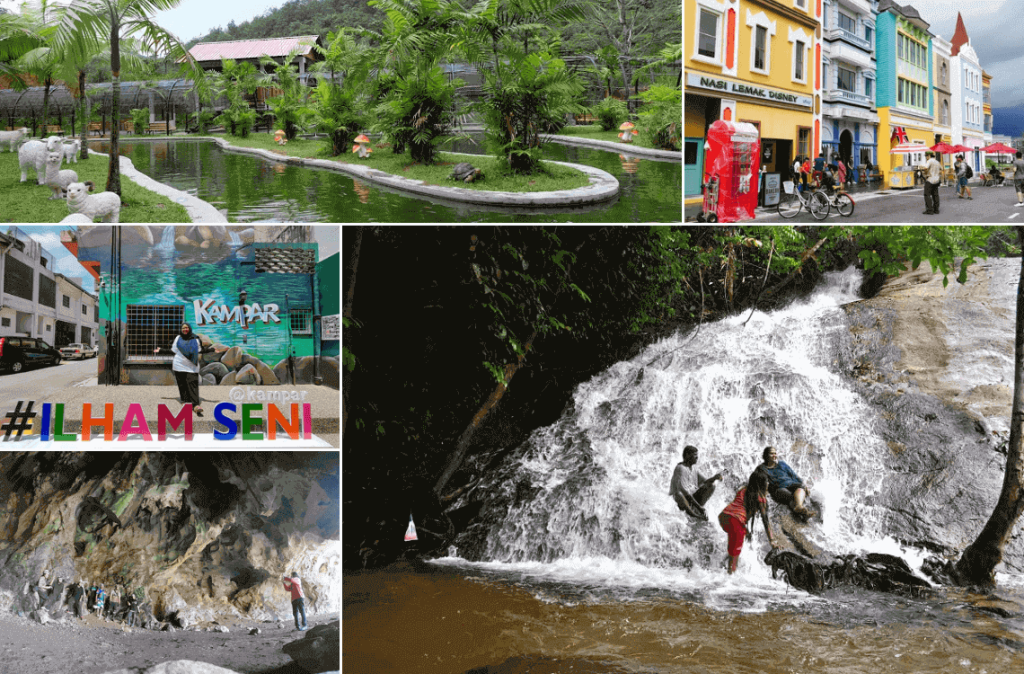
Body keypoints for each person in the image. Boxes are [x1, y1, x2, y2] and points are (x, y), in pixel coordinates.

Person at [718, 469, 779, 574]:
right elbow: (766, 521)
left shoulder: (743, 490)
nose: (768, 483)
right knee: (735, 552)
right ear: (761, 484)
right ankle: (729, 579)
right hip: (736, 521)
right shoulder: (761, 498)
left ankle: (722, 568)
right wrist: (772, 540)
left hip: (724, 517)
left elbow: (741, 511)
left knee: (733, 548)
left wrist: (746, 531)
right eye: (767, 481)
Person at [154, 322, 218, 417]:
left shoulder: (195, 339)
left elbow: (200, 350)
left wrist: (211, 350)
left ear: (190, 328)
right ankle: (185, 400)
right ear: (181, 329)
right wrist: (161, 350)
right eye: (183, 328)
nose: (185, 329)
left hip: (191, 366)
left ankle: (195, 405)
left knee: (193, 385)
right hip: (178, 365)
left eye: (187, 328)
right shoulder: (178, 338)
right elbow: (173, 351)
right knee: (182, 384)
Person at [760, 446, 816, 521]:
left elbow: (793, 475)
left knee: (801, 487)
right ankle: (803, 512)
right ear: (766, 456)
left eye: (775, 453)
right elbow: (762, 483)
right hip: (778, 488)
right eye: (771, 454)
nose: (774, 455)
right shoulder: (763, 469)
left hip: (791, 484)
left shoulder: (782, 464)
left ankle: (799, 507)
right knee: (790, 496)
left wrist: (803, 485)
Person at [669, 445, 723, 521]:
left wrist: (715, 478)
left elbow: (705, 482)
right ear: (687, 455)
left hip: (691, 499)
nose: (697, 457)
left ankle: (697, 510)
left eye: (697, 455)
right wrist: (699, 507)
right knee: (679, 494)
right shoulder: (681, 468)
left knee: (711, 485)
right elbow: (683, 491)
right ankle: (695, 514)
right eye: (695, 455)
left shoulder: (694, 469)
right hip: (681, 501)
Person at [921, 151, 943, 215]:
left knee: (927, 194)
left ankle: (929, 210)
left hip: (930, 180)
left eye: (926, 156)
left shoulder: (929, 161)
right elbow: (941, 170)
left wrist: (926, 174)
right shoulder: (937, 162)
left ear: (929, 156)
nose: (926, 157)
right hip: (936, 180)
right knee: (935, 195)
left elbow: (925, 168)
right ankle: (936, 209)